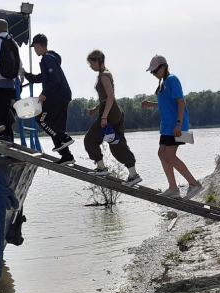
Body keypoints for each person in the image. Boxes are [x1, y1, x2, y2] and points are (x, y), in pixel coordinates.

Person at [142, 55, 202, 199]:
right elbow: (167, 104)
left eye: (155, 71)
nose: (153, 74)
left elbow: (181, 103)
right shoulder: (163, 82)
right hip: (167, 126)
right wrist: (151, 104)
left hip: (176, 125)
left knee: (169, 155)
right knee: (161, 154)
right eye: (152, 72)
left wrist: (179, 124)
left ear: (163, 67)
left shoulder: (172, 80)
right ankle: (173, 188)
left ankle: (194, 184)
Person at [84, 50, 141, 185]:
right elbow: (106, 98)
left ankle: (101, 168)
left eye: (91, 63)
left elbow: (110, 97)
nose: (90, 66)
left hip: (109, 112)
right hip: (113, 111)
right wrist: (96, 108)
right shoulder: (104, 74)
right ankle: (133, 174)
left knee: (90, 140)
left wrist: (104, 117)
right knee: (117, 144)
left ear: (98, 60)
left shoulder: (104, 76)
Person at [22, 34, 75, 165]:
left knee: (40, 118)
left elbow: (55, 79)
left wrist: (45, 93)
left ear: (38, 45)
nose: (34, 50)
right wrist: (25, 74)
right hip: (63, 95)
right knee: (56, 126)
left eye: (34, 47)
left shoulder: (47, 58)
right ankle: (67, 156)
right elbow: (41, 78)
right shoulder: (50, 58)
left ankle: (64, 138)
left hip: (57, 96)